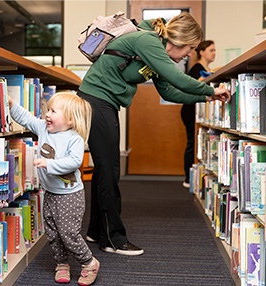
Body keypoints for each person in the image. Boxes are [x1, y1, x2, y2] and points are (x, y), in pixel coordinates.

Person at [77, 12, 230, 256]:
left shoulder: (155, 51)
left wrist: (204, 96)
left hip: (103, 101)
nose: (189, 54)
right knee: (109, 170)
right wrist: (211, 90)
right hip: (96, 100)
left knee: (104, 168)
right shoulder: (148, 42)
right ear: (179, 41)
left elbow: (170, 92)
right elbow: (177, 78)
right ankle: (113, 239)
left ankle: (97, 231)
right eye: (190, 48)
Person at [8, 92, 100, 286]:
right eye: (47, 110)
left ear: (70, 119)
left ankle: (89, 262)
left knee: (68, 233)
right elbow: (26, 118)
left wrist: (49, 164)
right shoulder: (43, 128)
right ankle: (62, 264)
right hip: (50, 193)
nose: (47, 114)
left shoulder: (74, 139)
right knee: (52, 232)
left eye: (53, 111)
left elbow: (74, 161)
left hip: (70, 195)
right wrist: (11, 105)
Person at [181, 40, 216, 188]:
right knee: (192, 144)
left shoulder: (206, 68)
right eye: (211, 50)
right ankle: (188, 178)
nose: (214, 53)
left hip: (199, 112)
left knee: (197, 143)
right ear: (201, 52)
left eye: (215, 51)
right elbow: (191, 86)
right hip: (191, 111)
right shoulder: (197, 68)